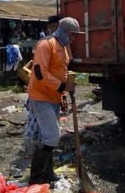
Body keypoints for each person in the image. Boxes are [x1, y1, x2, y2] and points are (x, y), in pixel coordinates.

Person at [26, 17, 83, 184]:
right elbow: (39, 72)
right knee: (52, 137)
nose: (74, 38)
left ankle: (48, 172)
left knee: (47, 136)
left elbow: (61, 70)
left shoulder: (63, 47)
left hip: (54, 97)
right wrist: (62, 86)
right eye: (72, 35)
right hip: (40, 95)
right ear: (63, 31)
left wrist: (63, 93)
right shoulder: (46, 44)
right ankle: (35, 178)